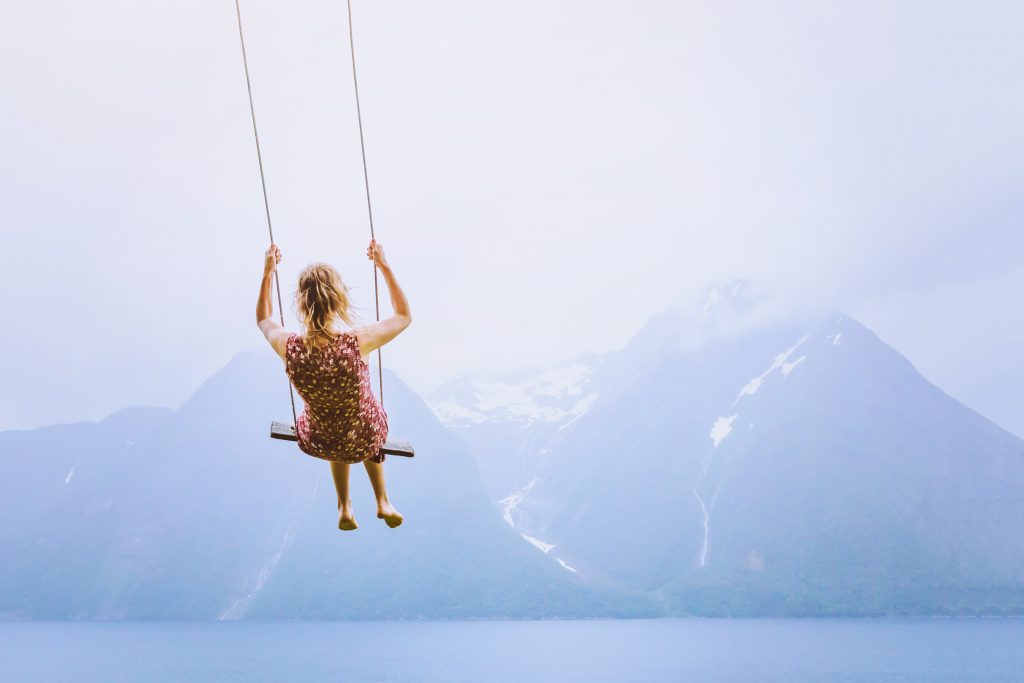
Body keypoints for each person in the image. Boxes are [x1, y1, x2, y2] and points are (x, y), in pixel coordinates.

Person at [256, 239, 411, 531]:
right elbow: (403, 316)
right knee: (363, 419)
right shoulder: (357, 343)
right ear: (339, 301)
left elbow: (264, 318)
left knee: (334, 426)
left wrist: (267, 272)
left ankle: (344, 506)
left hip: (320, 439)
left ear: (301, 304)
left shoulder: (289, 348)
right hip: (365, 436)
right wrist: (384, 265)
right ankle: (382, 502)